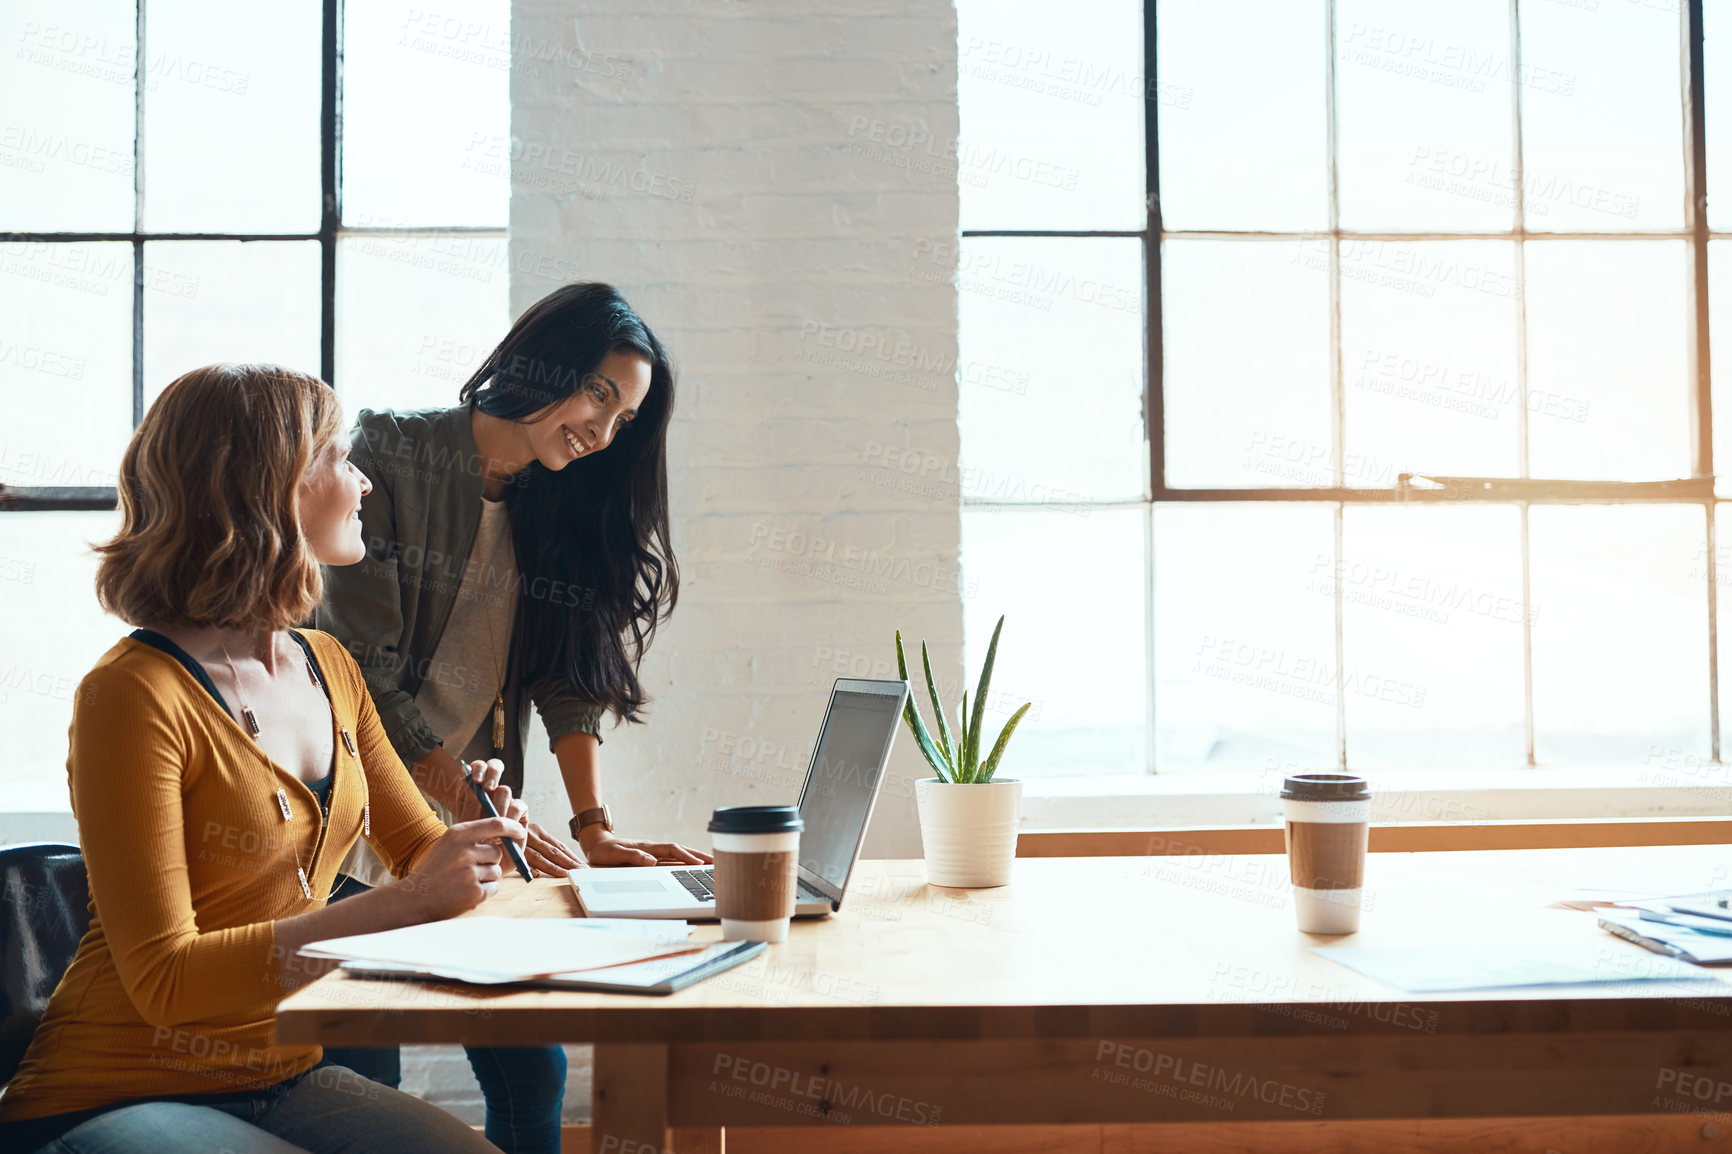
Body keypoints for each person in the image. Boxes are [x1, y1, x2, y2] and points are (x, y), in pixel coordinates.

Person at [0, 364, 527, 1154]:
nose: (362, 484)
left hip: (281, 1077)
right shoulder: (133, 694)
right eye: (340, 459)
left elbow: (420, 852)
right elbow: (167, 981)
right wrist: (406, 901)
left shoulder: (331, 667)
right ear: (269, 486)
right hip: (108, 1092)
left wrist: (481, 841)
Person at [311, 282, 709, 1152]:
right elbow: (362, 672)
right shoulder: (395, 456)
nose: (605, 430)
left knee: (533, 1069)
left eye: (625, 417)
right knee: (362, 1073)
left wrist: (595, 828)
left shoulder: (558, 498)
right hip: (356, 814)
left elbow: (567, 679)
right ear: (545, 363)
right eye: (600, 393)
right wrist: (465, 804)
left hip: (470, 818)